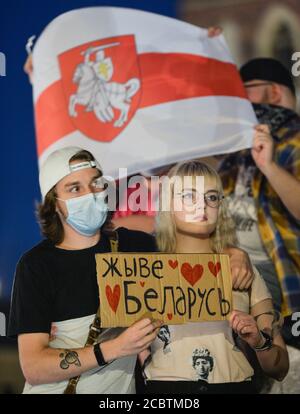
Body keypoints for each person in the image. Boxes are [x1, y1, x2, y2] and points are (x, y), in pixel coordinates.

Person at [8, 146, 162, 394]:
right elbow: (34, 367)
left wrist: (236, 254)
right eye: (75, 188)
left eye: (95, 183)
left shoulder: (136, 246)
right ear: (54, 203)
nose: (90, 194)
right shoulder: (36, 266)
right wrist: (115, 348)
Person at [141, 159, 289, 394]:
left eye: (211, 197)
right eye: (189, 196)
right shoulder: (143, 270)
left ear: (220, 206)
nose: (202, 206)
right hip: (163, 392)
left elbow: (279, 368)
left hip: (236, 388)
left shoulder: (243, 272)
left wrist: (259, 341)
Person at [219, 58, 300, 338]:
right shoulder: (237, 147)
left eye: (245, 92)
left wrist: (269, 166)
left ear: (274, 92)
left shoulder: (295, 140)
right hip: (231, 264)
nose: (238, 102)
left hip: (281, 274)